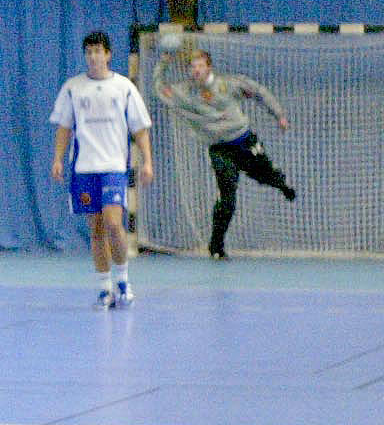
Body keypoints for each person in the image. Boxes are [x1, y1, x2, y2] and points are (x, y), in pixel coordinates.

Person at [152, 46, 295, 260]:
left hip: (244, 142)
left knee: (266, 176)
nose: (196, 70)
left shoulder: (227, 84)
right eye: (192, 67)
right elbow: (159, 88)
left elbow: (258, 92)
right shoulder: (184, 92)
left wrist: (279, 115)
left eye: (200, 65)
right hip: (220, 150)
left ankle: (282, 184)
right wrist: (164, 62)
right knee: (227, 196)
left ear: (209, 67)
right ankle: (216, 246)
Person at [50, 30, 154, 309]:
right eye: (89, 52)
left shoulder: (124, 88)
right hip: (84, 171)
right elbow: (64, 128)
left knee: (113, 224)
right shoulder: (73, 88)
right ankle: (103, 288)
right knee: (95, 229)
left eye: (98, 51)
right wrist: (58, 158)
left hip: (113, 169)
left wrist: (147, 161)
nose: (93, 56)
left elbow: (140, 129)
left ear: (108, 55)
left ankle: (123, 280)